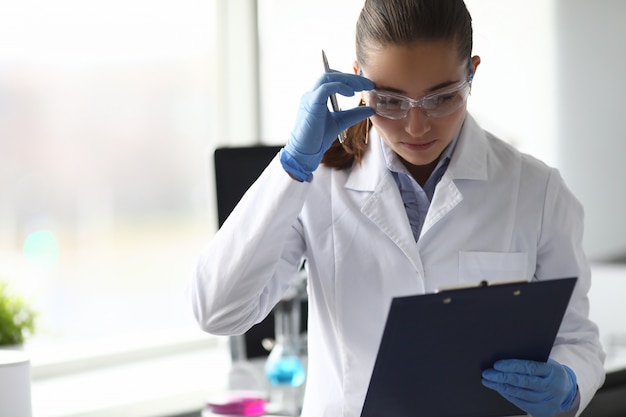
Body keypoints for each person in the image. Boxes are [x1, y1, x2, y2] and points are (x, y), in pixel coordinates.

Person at [190, 0, 605, 416]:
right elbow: (218, 311)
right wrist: (290, 169)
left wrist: (568, 383)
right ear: (357, 82)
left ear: (472, 73)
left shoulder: (534, 189)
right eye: (390, 100)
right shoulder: (318, 185)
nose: (416, 126)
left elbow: (578, 341)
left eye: (441, 98)